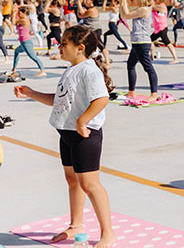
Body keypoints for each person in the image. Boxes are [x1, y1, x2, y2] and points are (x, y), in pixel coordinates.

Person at [14, 25, 116, 247]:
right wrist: (31, 93)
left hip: (84, 135)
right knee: (73, 181)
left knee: (90, 184)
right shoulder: (72, 69)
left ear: (80, 48)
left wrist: (82, 120)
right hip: (67, 133)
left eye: (64, 43)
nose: (59, 47)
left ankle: (108, 233)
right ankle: (76, 225)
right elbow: (60, 100)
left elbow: (102, 99)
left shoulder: (89, 70)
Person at [119, 0, 159, 101]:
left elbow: (126, 14)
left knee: (148, 68)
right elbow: (123, 15)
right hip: (137, 42)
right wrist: (122, 1)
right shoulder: (141, 9)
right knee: (130, 65)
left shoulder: (144, 10)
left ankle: (154, 94)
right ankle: (131, 92)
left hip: (142, 42)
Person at [9, 3, 46, 78]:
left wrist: (14, 12)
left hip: (26, 43)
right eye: (18, 13)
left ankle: (43, 71)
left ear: (24, 13)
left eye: (19, 13)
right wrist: (13, 12)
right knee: (16, 51)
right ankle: (14, 68)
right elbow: (12, 20)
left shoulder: (24, 20)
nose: (18, 14)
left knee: (33, 57)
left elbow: (13, 22)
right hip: (23, 43)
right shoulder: (21, 20)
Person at [75, 0, 110, 68]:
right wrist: (79, 3)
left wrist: (79, 2)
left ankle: (107, 62)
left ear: (91, 2)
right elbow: (79, 14)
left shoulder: (92, 10)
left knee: (101, 46)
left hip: (95, 30)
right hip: (91, 30)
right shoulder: (89, 9)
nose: (86, 0)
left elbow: (81, 14)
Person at [149, 0, 179, 64]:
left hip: (162, 28)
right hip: (157, 29)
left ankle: (175, 58)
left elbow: (151, 6)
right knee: (150, 41)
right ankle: (152, 57)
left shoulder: (162, 6)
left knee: (167, 43)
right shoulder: (157, 6)